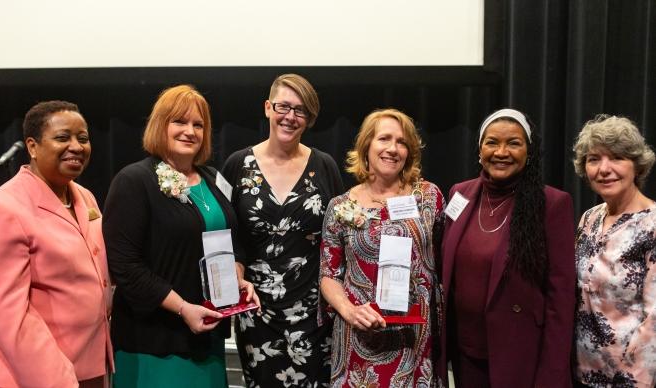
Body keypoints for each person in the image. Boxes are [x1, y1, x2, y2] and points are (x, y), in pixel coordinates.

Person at [103, 85, 258, 388]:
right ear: (161, 125)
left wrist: (236, 276)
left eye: (198, 124)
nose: (190, 131)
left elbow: (234, 242)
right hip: (154, 343)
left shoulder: (214, 179)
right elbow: (125, 266)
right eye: (179, 121)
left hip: (206, 338)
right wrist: (183, 308)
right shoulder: (134, 181)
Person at [0, 101, 112, 387]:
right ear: (32, 147)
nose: (76, 146)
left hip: (88, 367)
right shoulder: (1, 208)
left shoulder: (85, 196)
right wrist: (58, 380)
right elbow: (9, 315)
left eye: (83, 138)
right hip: (34, 376)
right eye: (63, 137)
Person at [438, 108, 576, 387]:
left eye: (513, 143)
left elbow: (561, 297)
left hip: (520, 354)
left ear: (529, 151)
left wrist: (552, 372)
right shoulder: (459, 194)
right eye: (492, 142)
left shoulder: (551, 204)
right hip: (465, 354)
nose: (501, 152)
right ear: (479, 149)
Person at [222, 73, 343, 387]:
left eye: (300, 110)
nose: (291, 117)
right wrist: (234, 274)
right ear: (267, 108)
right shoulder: (237, 165)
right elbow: (225, 234)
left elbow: (338, 236)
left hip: (315, 313)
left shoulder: (325, 165)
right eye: (283, 107)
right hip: (257, 312)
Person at [319, 108, 444, 387]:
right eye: (384, 139)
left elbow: (446, 263)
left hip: (414, 341)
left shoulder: (429, 197)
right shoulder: (341, 207)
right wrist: (349, 310)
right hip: (359, 339)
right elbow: (329, 273)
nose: (393, 148)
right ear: (366, 147)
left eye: (401, 142)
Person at [572, 115, 656, 388]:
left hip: (630, 378)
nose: (604, 169)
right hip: (583, 371)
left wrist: (635, 380)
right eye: (594, 159)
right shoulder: (589, 218)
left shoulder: (653, 223)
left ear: (637, 165)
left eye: (616, 158)